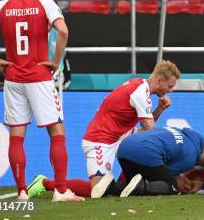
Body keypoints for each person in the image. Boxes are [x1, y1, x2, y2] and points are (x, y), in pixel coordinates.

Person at [0, 0, 82, 202]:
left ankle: (22, 191)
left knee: (16, 135)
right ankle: (61, 191)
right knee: (56, 132)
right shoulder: (45, 4)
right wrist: (55, 60)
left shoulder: (2, 5)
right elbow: (62, 30)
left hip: (13, 77)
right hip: (39, 77)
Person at [27, 60, 179, 199]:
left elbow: (146, 130)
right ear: (159, 81)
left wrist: (159, 109)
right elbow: (149, 128)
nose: (171, 90)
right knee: (98, 190)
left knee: (139, 145)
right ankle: (44, 183)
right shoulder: (140, 91)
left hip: (119, 135)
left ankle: (128, 185)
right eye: (170, 86)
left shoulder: (140, 87)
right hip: (100, 140)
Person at [94, 126, 204, 197]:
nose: (197, 166)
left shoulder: (180, 131)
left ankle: (110, 187)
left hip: (123, 147)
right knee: (172, 186)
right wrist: (181, 182)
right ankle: (142, 187)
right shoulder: (191, 156)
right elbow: (167, 172)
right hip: (145, 152)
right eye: (201, 165)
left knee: (131, 185)